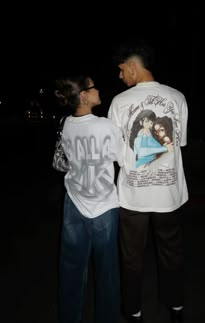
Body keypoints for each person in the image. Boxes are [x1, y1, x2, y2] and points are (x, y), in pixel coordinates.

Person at [108, 39, 189, 323]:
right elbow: (180, 144)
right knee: (172, 253)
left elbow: (116, 152)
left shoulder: (119, 102)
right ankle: (176, 309)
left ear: (132, 67)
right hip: (169, 194)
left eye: (121, 70)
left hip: (133, 196)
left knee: (131, 257)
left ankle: (134, 313)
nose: (120, 76)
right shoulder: (178, 97)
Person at [54, 75, 125, 323]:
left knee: (71, 269)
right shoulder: (105, 126)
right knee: (107, 272)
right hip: (103, 206)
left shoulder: (66, 124)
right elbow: (124, 159)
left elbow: (64, 163)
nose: (98, 90)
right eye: (93, 86)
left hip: (74, 202)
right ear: (84, 95)